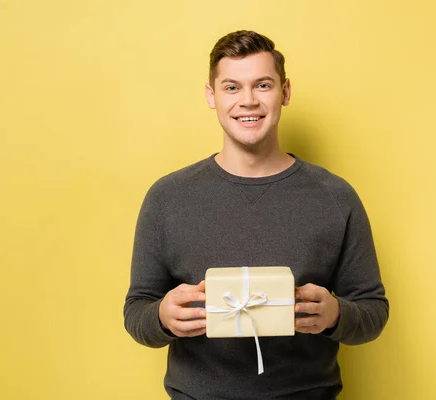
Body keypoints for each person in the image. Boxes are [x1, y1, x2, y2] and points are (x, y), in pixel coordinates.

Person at [124, 30, 389, 400]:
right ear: (211, 96)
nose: (248, 101)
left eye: (262, 85)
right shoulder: (167, 197)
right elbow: (137, 311)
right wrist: (161, 318)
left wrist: (335, 316)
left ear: (285, 91)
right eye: (232, 87)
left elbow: (373, 311)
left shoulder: (335, 197)